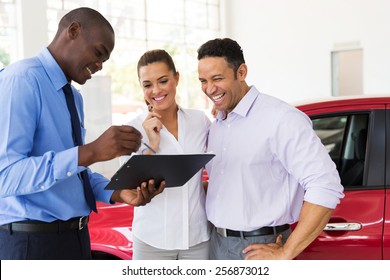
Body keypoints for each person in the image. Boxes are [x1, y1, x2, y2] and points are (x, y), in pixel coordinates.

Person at [0, 7, 164, 260]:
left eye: (104, 60)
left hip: (75, 238)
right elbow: (6, 176)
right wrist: (92, 151)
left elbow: (74, 171)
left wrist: (117, 192)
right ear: (73, 31)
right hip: (31, 243)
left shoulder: (74, 97)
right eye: (98, 53)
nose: (99, 65)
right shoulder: (21, 80)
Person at [197, 38, 344, 260]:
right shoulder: (219, 122)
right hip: (217, 244)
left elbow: (326, 185)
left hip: (258, 247)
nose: (209, 89)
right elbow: (232, 181)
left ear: (241, 72)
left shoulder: (281, 118)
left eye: (217, 78)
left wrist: (286, 252)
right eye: (203, 81)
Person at [120, 49, 211, 259]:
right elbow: (131, 186)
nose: (156, 90)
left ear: (176, 78)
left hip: (197, 239)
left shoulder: (199, 122)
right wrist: (152, 144)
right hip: (153, 240)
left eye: (163, 81)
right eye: (148, 84)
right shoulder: (132, 130)